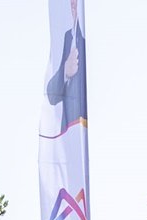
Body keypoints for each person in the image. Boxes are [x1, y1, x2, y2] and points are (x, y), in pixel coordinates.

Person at [46, 0, 87, 134]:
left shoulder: (87, 37)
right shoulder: (69, 36)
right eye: (72, 1)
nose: (73, 4)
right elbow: (52, 95)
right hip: (70, 133)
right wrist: (65, 71)